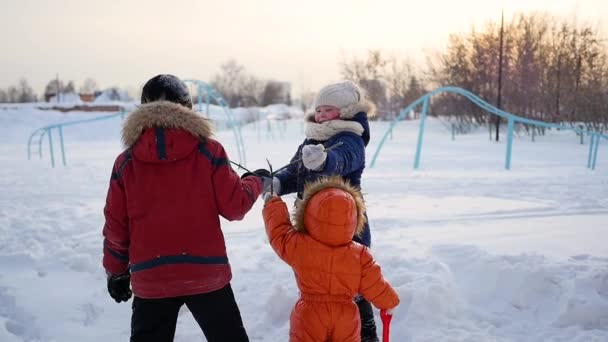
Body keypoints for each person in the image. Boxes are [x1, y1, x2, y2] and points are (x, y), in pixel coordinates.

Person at [102, 74, 263, 342]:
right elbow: (235, 206)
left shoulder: (125, 162)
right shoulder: (209, 151)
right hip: (206, 272)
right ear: (187, 107)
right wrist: (255, 181)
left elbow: (116, 226)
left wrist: (116, 271)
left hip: (151, 277)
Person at [268, 80, 381, 340]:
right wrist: (277, 182)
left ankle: (365, 333)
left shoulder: (351, 138)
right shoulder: (312, 138)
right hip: (314, 228)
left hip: (346, 230)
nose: (320, 115)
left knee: (352, 284)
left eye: (328, 110)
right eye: (319, 110)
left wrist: (325, 160)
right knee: (318, 282)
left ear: (344, 112)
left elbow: (343, 160)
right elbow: (296, 170)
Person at [262, 176, 399, 342]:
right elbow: (374, 284)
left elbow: (280, 232)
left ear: (308, 214)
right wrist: (388, 301)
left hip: (310, 315)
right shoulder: (360, 254)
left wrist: (272, 203)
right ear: (354, 219)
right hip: (346, 317)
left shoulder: (300, 246)